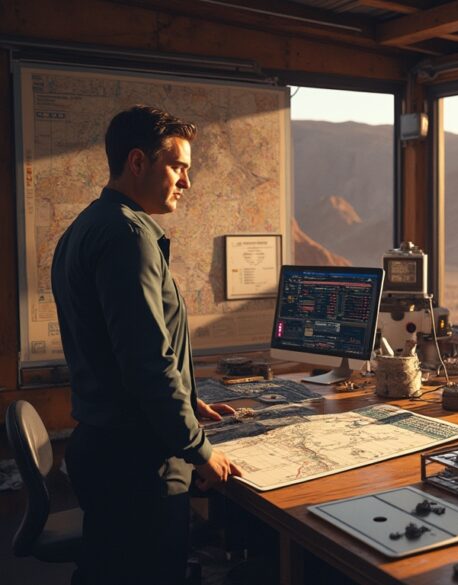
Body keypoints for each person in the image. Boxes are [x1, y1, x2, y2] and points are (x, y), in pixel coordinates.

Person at [51, 105, 242, 585]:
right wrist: (199, 450)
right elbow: (146, 364)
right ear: (138, 162)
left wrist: (188, 399)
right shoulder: (126, 235)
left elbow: (123, 348)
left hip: (110, 447)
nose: (186, 182)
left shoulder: (87, 225)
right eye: (178, 166)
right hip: (138, 463)